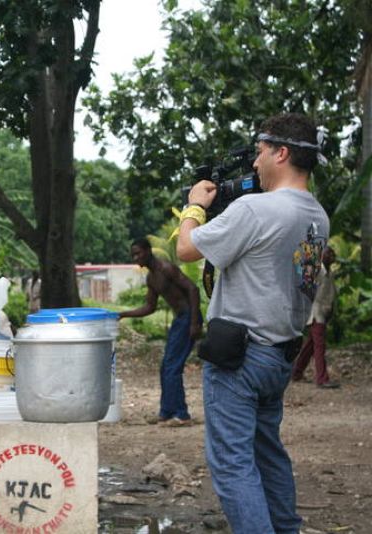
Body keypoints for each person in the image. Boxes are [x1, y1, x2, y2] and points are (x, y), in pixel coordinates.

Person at [176, 112, 329, 534]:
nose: (255, 163)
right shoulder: (317, 216)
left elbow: (187, 248)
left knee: (232, 466)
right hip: (278, 356)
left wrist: (194, 205)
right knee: (268, 455)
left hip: (239, 361)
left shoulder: (256, 210)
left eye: (260, 152)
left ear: (281, 153)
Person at [118, 237, 201, 426]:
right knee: (166, 367)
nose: (135, 258)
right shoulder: (151, 278)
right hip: (179, 320)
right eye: (133, 255)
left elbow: (193, 289)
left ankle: (181, 415)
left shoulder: (166, 268)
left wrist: (195, 322)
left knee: (172, 367)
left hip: (187, 317)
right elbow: (150, 307)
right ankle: (166, 412)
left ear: (148, 251)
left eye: (138, 253)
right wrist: (123, 314)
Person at [292, 245, 339, 388]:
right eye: (328, 254)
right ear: (322, 256)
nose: (331, 257)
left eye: (332, 254)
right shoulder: (316, 271)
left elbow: (330, 295)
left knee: (310, 346)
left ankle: (296, 373)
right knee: (319, 346)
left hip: (323, 313)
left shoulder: (330, 274)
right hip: (316, 314)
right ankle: (322, 379)